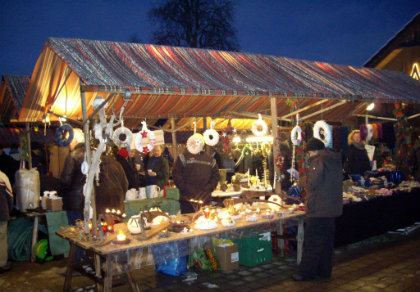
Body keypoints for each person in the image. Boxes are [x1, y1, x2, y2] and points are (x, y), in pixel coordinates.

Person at [294, 137, 343, 281]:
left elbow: (313, 182)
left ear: (313, 150)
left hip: (318, 208)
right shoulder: (334, 159)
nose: (309, 155)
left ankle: (306, 273)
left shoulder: (318, 161)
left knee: (312, 243)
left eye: (309, 152)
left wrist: (300, 180)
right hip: (331, 208)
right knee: (326, 244)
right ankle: (324, 272)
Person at [173, 147, 220, 214]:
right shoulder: (183, 157)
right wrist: (185, 188)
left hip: (203, 198)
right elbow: (176, 175)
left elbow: (216, 176)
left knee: (203, 221)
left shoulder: (210, 159)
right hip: (187, 199)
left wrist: (209, 188)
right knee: (190, 221)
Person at [0, 170, 13, 273]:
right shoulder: (2, 176)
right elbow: (9, 196)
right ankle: (1, 264)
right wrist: (9, 210)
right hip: (1, 214)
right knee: (1, 239)